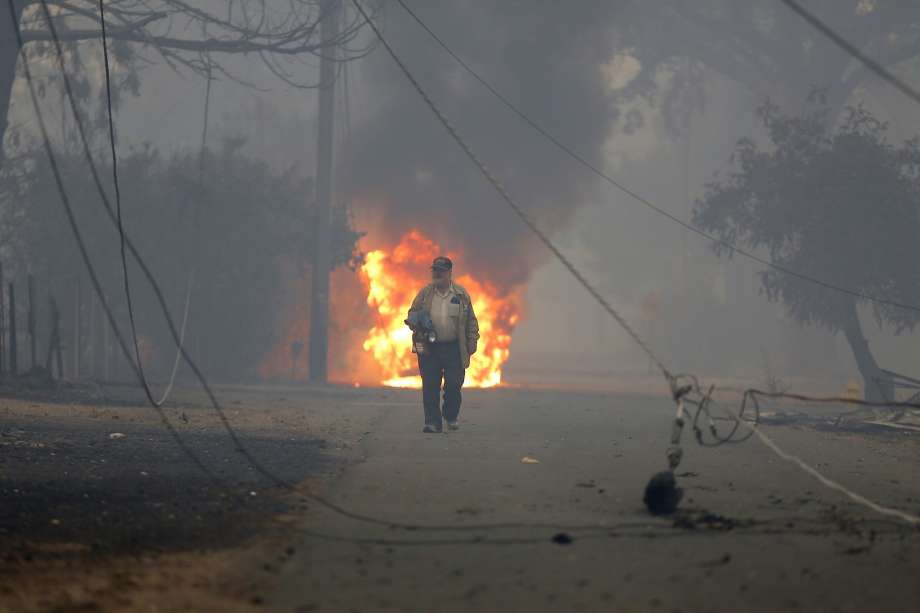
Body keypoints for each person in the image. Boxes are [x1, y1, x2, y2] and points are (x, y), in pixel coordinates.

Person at [406, 256, 479, 433]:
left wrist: (472, 340)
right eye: (435, 270)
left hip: (454, 347)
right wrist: (418, 324)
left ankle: (450, 414)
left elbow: (471, 320)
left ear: (449, 273)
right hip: (430, 347)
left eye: (441, 271)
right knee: (430, 385)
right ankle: (432, 422)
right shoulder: (425, 294)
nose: (437, 274)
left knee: (454, 384)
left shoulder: (461, 295)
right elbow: (412, 313)